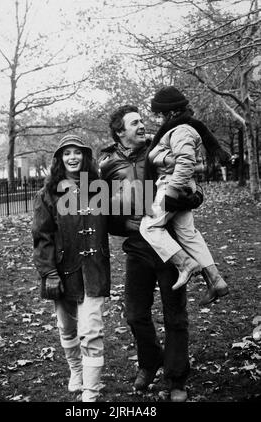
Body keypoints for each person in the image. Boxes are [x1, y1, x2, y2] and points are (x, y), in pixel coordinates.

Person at [99, 105, 204, 402]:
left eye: (143, 120)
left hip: (169, 247)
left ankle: (176, 378)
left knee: (175, 316)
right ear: (120, 131)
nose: (143, 125)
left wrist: (188, 199)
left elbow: (194, 186)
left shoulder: (160, 150)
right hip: (137, 248)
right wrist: (124, 222)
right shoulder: (107, 165)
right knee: (134, 314)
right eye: (135, 123)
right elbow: (103, 207)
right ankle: (150, 361)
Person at [32, 134, 111, 402]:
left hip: (94, 269)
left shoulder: (99, 188)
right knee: (67, 327)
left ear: (85, 157)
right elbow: (42, 237)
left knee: (91, 330)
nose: (73, 157)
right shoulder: (47, 194)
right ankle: (76, 371)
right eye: (67, 153)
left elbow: (123, 214)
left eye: (78, 152)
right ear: (60, 159)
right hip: (63, 271)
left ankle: (91, 392)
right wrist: (49, 273)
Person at [140, 86, 229, 306]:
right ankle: (216, 280)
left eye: (160, 114)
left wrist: (171, 192)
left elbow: (186, 162)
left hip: (172, 186)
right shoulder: (179, 129)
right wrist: (159, 153)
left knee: (149, 227)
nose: (159, 118)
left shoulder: (181, 130)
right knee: (188, 234)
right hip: (179, 185)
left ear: (170, 112)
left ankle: (185, 264)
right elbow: (176, 155)